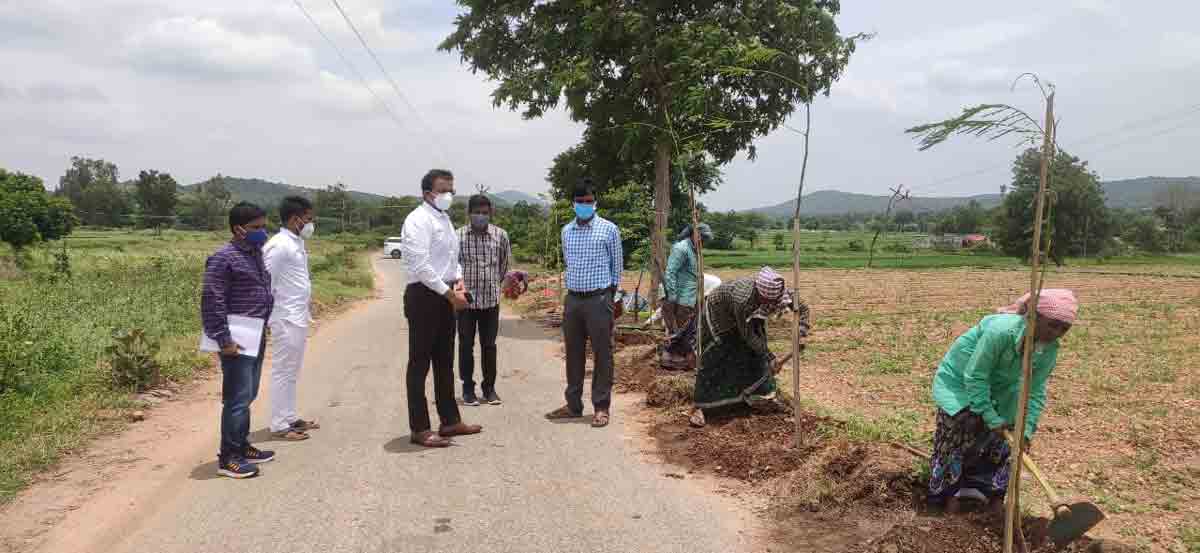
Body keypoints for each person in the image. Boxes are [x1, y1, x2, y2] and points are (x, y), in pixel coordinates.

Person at [926, 288, 1077, 509]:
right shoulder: (1000, 333)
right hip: (961, 384)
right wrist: (988, 415)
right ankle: (945, 501)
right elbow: (976, 376)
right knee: (960, 432)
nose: (1056, 332)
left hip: (1003, 392)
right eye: (1052, 325)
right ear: (1034, 317)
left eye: (1064, 328)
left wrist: (1025, 430)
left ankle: (987, 498)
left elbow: (1034, 391)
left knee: (1005, 444)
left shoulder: (1049, 349)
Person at [401, 169, 482, 448]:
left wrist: (458, 280)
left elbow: (451, 258)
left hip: (446, 293)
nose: (449, 195)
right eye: (444, 190)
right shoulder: (417, 221)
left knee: (445, 360)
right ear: (428, 193)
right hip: (424, 296)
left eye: (452, 190)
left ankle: (450, 421)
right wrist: (449, 294)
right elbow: (421, 266)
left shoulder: (444, 219)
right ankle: (420, 428)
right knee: (419, 363)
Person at [201, 202, 277, 478]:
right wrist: (223, 338)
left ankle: (242, 445)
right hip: (236, 339)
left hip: (255, 333)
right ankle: (229, 457)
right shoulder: (223, 258)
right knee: (236, 398)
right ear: (238, 229)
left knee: (249, 394)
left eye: (264, 226)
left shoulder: (255, 254)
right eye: (257, 228)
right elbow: (213, 300)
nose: (263, 233)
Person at [545, 178, 623, 428]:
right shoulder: (566, 231)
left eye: (589, 202)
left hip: (599, 299)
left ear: (596, 203)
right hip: (574, 300)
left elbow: (617, 266)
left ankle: (601, 407)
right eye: (580, 202)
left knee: (602, 355)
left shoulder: (609, 229)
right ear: (573, 204)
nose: (585, 206)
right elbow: (569, 263)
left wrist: (612, 296)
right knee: (573, 354)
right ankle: (573, 405)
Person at [688, 267, 809, 428]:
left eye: (775, 302)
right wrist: (770, 357)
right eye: (770, 303)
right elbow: (748, 336)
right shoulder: (743, 301)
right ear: (761, 297)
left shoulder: (779, 292)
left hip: (748, 313)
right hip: (720, 314)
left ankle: (760, 396)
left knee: (755, 354)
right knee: (718, 354)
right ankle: (701, 406)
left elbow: (804, 308)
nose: (774, 306)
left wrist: (801, 330)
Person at [263, 196, 319, 441]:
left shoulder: (295, 242)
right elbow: (267, 281)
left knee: (292, 370)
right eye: (308, 219)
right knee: (282, 370)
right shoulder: (279, 245)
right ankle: (278, 424)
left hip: (297, 315)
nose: (310, 224)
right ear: (296, 219)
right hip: (285, 317)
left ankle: (289, 416)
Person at [456, 194, 511, 406]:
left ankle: (489, 389)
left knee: (489, 345)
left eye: (485, 213)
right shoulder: (458, 236)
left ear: (491, 214)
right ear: (469, 213)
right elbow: (453, 267)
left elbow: (504, 266)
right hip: (465, 303)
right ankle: (468, 389)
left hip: (491, 301)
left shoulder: (500, 236)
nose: (481, 216)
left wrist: (495, 285)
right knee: (465, 345)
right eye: (477, 212)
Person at [660, 223, 713, 370]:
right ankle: (670, 359)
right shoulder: (681, 248)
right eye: (702, 238)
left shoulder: (694, 250)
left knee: (687, 330)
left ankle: (679, 360)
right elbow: (670, 273)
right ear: (694, 234)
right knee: (679, 332)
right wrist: (672, 297)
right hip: (679, 298)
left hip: (689, 297)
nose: (704, 241)